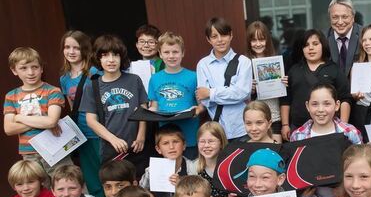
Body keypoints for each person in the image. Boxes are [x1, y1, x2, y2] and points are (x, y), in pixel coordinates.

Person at [80, 35, 148, 167]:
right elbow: (91, 120)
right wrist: (113, 139)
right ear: (98, 58)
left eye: (115, 55)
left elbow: (143, 110)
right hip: (111, 147)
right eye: (105, 55)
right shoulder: (92, 86)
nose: (111, 60)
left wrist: (141, 136)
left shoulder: (134, 80)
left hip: (137, 145)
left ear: (121, 57)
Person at [4, 47, 69, 175]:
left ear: (41, 68)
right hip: (28, 153)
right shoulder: (11, 96)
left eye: (35, 67)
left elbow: (51, 122)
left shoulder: (52, 91)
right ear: (14, 70)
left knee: (64, 183)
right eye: (23, 68)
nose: (30, 72)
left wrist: (19, 118)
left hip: (55, 148)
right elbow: (9, 129)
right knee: (39, 190)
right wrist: (42, 121)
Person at [280, 29, 352, 140]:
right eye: (306, 45)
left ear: (323, 45)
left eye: (315, 44)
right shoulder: (294, 70)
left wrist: (342, 126)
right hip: (298, 129)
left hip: (329, 128)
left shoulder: (334, 69)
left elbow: (345, 98)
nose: (311, 48)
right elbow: (286, 100)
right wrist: (285, 125)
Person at [59, 30, 104, 197]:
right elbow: (72, 107)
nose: (71, 52)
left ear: (84, 49)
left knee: (107, 175)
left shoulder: (95, 73)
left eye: (76, 48)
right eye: (67, 47)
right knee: (91, 179)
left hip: (99, 132)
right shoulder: (64, 79)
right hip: (81, 135)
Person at [196, 17, 253, 142]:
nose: (220, 40)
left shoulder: (243, 62)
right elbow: (204, 100)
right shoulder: (203, 65)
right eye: (214, 36)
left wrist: (211, 93)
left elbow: (243, 93)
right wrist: (230, 93)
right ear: (208, 39)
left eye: (223, 35)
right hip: (217, 131)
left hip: (242, 130)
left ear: (231, 35)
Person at [148, 31, 203, 159]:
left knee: (191, 172)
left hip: (189, 136)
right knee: (171, 175)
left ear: (182, 53)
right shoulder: (154, 79)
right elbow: (154, 106)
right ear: (160, 54)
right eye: (166, 52)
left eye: (175, 52)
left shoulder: (193, 76)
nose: (171, 56)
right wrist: (145, 112)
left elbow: (202, 105)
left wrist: (198, 110)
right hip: (166, 139)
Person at [139, 124, 197, 197]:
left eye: (175, 142)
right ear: (158, 149)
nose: (171, 147)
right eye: (165, 143)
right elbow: (141, 190)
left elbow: (199, 194)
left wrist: (182, 185)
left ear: (184, 145)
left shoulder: (192, 168)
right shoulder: (152, 170)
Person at [246, 21, 285, 143]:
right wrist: (250, 90)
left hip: (275, 117)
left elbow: (286, 96)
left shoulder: (278, 61)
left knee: (276, 154)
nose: (258, 44)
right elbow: (241, 95)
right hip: (255, 121)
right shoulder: (244, 64)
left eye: (261, 39)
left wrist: (284, 84)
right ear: (249, 42)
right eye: (254, 40)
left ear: (267, 40)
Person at [290, 83, 362, 144]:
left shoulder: (350, 133)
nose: (320, 110)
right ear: (307, 106)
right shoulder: (298, 136)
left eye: (327, 104)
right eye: (315, 104)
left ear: (337, 105)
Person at [326, 0, 361, 75]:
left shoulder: (364, 36)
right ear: (330, 18)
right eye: (335, 17)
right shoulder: (323, 39)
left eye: (344, 17)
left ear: (353, 17)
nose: (340, 22)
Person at [196, 121, 228, 197]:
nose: (206, 145)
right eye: (202, 141)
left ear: (221, 143)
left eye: (211, 141)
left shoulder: (231, 167)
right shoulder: (195, 169)